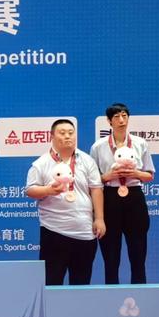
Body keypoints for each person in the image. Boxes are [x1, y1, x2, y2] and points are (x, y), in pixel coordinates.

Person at [26, 119, 106, 285]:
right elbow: (30, 190)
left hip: (85, 232)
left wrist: (99, 219)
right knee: (52, 284)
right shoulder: (41, 163)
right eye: (62, 133)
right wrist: (48, 190)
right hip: (54, 231)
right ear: (52, 136)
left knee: (81, 285)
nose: (67, 136)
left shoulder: (87, 160)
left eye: (71, 133)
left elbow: (96, 189)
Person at [89, 103, 155, 284]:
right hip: (109, 198)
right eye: (117, 116)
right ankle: (112, 294)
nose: (121, 120)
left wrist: (135, 173)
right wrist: (108, 176)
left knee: (138, 254)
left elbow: (149, 175)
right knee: (111, 257)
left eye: (124, 116)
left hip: (134, 197)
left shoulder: (140, 143)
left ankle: (140, 293)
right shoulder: (98, 146)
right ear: (109, 121)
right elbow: (92, 180)